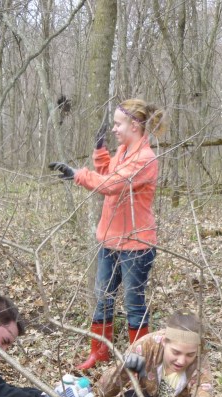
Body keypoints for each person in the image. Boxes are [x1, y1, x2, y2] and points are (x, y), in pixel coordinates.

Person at [48, 97, 165, 370]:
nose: (113, 129)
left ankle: (141, 362)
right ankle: (99, 352)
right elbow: (109, 172)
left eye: (117, 124)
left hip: (137, 243)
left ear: (135, 125)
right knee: (103, 298)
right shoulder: (124, 152)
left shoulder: (145, 159)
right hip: (110, 241)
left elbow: (112, 185)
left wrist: (78, 174)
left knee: (134, 304)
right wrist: (100, 152)